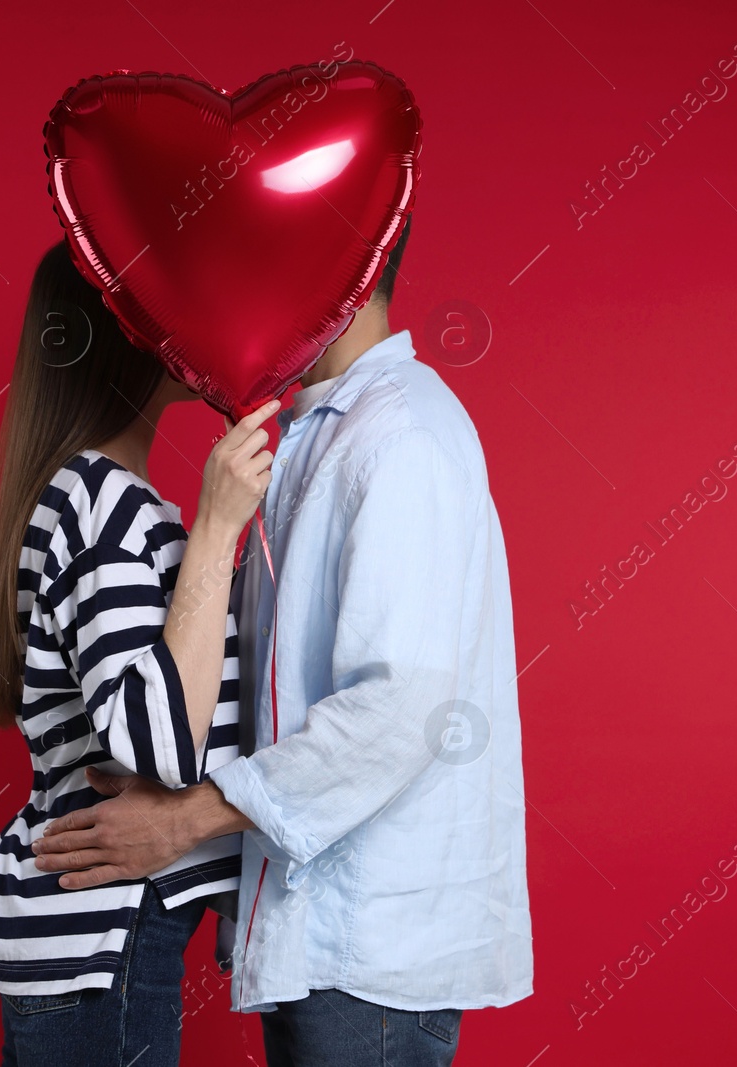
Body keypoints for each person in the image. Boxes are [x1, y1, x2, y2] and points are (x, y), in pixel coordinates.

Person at [31, 218, 535, 1066]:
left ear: (340, 269)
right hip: (318, 937)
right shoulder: (314, 434)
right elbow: (264, 683)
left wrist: (187, 819)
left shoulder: (399, 437)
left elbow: (400, 707)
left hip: (369, 947)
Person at [0, 239, 280, 1066]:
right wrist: (218, 524)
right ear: (121, 336)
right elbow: (159, 748)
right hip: (100, 937)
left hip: (102, 940)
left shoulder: (111, 502)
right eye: (156, 307)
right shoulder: (99, 505)